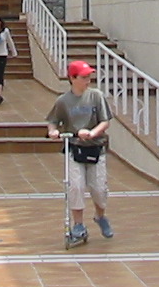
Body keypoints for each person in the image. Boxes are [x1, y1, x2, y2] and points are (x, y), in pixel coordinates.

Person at [46, 60, 114, 242]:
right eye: (84, 77)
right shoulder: (63, 101)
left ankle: (100, 216)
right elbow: (53, 120)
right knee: (75, 186)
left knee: (99, 189)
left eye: (89, 76)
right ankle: (78, 225)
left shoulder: (96, 96)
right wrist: (53, 131)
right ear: (72, 78)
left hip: (95, 148)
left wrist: (92, 133)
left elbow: (105, 121)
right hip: (74, 148)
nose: (88, 80)